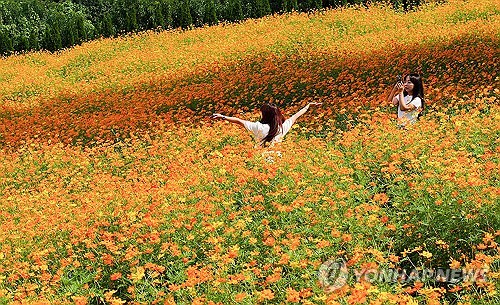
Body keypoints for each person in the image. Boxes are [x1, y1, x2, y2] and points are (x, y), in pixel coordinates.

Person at [211, 102, 322, 147]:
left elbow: (239, 121)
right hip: (277, 159)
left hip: (260, 160)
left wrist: (222, 117)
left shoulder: (258, 127)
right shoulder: (282, 127)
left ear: (263, 115)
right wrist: (308, 106)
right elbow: (296, 116)